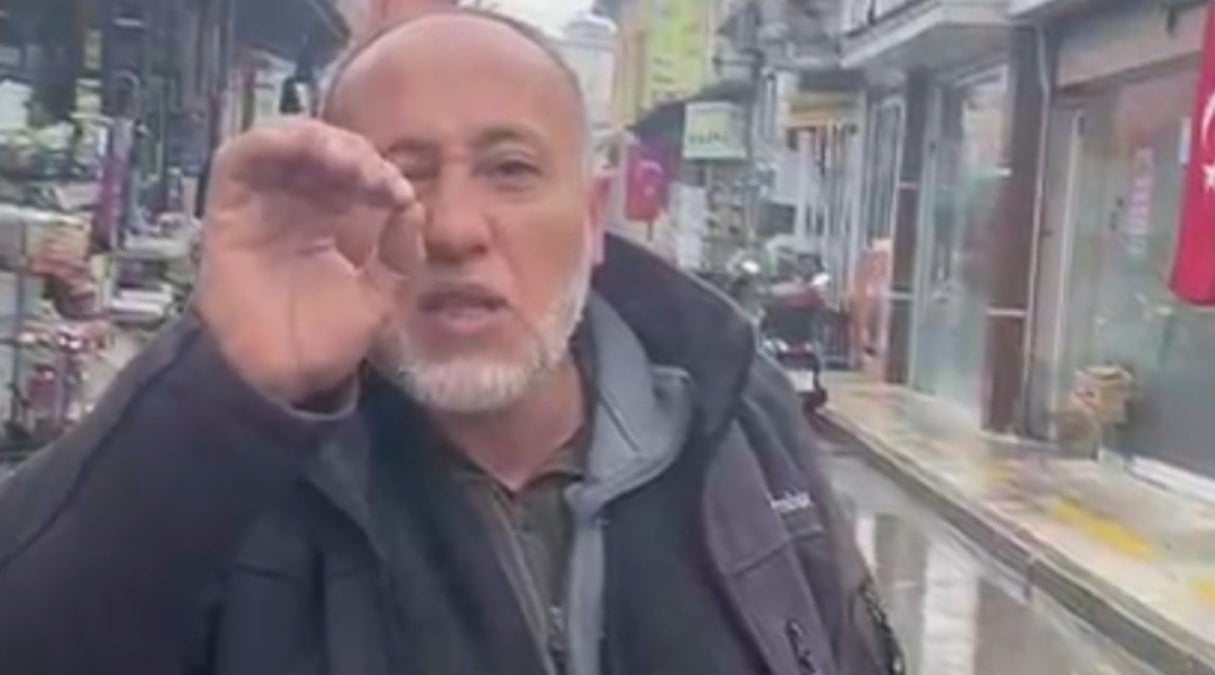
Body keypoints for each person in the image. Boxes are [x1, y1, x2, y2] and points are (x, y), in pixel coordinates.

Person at [0, 9, 903, 675]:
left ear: (593, 216)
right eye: (401, 177)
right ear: (334, 213)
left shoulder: (736, 420)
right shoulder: (234, 469)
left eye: (511, 170)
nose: (452, 228)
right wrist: (219, 384)